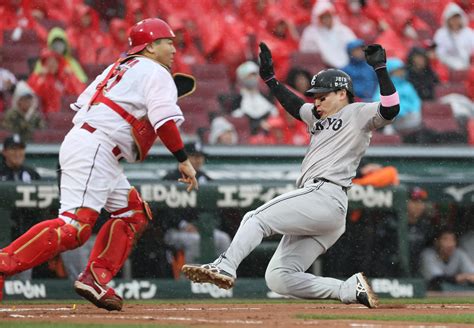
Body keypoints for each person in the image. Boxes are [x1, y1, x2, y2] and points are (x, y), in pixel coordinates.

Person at [182, 42, 400, 309]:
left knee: (255, 218)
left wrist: (380, 68)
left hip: (325, 194)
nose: (316, 101)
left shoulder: (357, 113)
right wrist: (271, 80)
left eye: (322, 96)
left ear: (342, 93)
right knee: (279, 278)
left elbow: (390, 109)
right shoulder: (317, 118)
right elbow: (294, 104)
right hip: (327, 210)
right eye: (315, 97)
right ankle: (347, 288)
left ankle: (225, 266)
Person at [0, 18, 199, 311]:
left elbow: (98, 106)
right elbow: (165, 122)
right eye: (167, 42)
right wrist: (184, 160)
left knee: (134, 213)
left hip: (93, 144)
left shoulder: (119, 67)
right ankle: (4, 262)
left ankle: (95, 278)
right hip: (96, 146)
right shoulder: (156, 71)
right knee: (73, 228)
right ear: (152, 46)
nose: (173, 48)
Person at [162, 141, 231, 264]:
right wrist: (183, 225)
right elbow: (165, 212)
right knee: (195, 241)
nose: (198, 160)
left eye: (200, 156)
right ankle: (191, 280)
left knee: (223, 239)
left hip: (202, 229)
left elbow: (215, 209)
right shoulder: (171, 178)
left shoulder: (206, 179)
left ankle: (221, 278)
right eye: (194, 156)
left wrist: (205, 226)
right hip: (175, 230)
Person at [0, 134, 41, 281]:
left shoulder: (31, 174)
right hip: (3, 234)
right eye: (13, 149)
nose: (17, 153)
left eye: (21, 149)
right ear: (4, 152)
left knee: (22, 277)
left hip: (24, 233)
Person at [299, 1, 356, 68]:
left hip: (348, 66)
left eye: (328, 16)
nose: (326, 19)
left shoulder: (342, 30)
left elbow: (354, 46)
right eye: (323, 17)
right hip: (323, 67)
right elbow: (306, 51)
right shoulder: (310, 32)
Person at [434, 2, 474, 71]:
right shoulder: (441, 34)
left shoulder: (469, 33)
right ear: (448, 19)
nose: (455, 21)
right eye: (453, 18)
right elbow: (438, 53)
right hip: (445, 68)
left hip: (467, 67)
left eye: (457, 18)